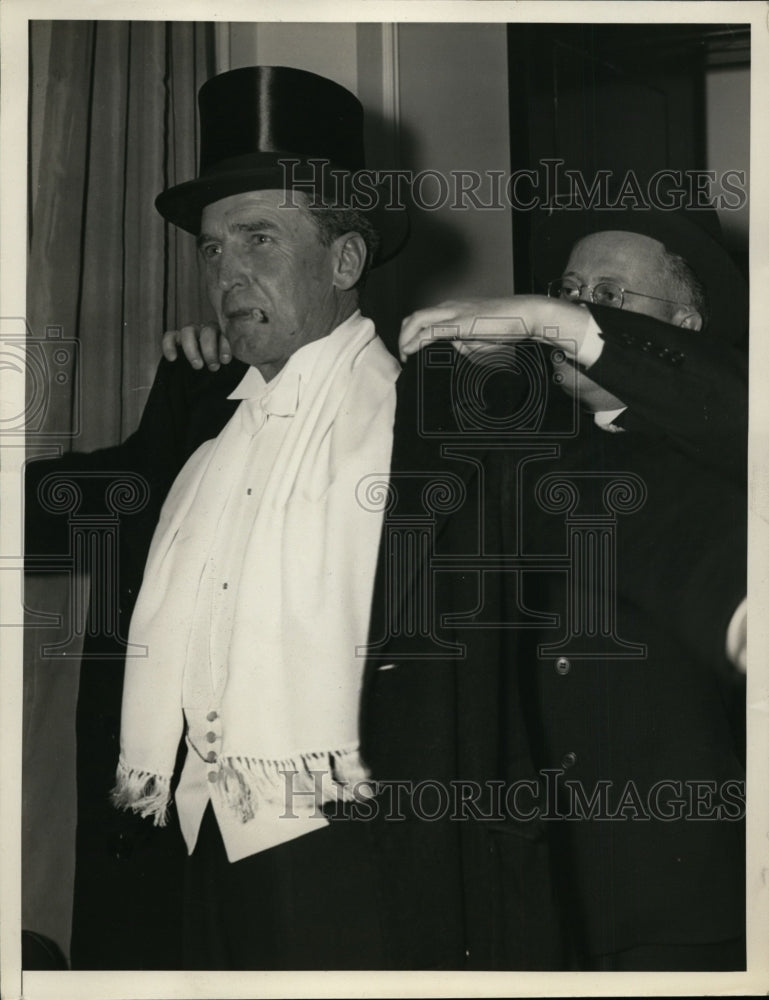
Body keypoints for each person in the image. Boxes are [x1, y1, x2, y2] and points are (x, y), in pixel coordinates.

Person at [26, 65, 562, 971]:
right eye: (211, 249)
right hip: (189, 850)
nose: (227, 273)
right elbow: (71, 510)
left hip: (355, 868)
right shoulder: (203, 420)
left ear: (345, 261)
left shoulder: (432, 423)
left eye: (259, 239)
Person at [396, 208, 748, 969]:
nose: (576, 310)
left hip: (672, 886)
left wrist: (561, 320)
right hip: (544, 874)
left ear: (681, 325)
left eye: (610, 294)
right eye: (569, 289)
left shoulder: (722, 444)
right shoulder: (528, 445)